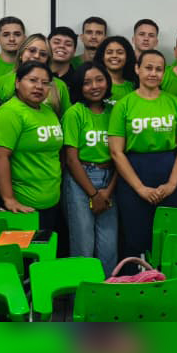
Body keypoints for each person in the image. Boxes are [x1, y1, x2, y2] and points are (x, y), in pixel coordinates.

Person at [109, 50, 177, 261]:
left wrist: (172, 184)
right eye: (148, 68)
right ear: (137, 69)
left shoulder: (175, 103)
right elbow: (116, 152)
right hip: (134, 174)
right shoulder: (124, 105)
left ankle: (167, 288)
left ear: (164, 73)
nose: (153, 73)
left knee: (168, 237)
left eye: (158, 69)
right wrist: (139, 188)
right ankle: (135, 286)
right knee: (135, 238)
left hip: (169, 172)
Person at [0, 62, 65, 230]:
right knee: (27, 255)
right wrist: (9, 199)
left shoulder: (48, 111)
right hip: (22, 205)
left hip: (50, 201)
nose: (39, 87)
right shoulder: (10, 112)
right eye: (32, 80)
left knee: (47, 253)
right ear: (17, 82)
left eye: (45, 83)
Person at [61, 64, 119, 276]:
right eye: (86, 82)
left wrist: (107, 192)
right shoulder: (74, 113)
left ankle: (106, 295)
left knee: (109, 246)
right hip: (81, 181)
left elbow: (120, 156)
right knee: (83, 245)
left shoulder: (115, 110)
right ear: (79, 86)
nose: (94, 86)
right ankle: (82, 301)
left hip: (111, 180)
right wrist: (94, 195)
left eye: (99, 79)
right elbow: (71, 159)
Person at [0, 34, 72, 115]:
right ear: (21, 53)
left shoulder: (59, 85)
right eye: (32, 50)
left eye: (43, 54)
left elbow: (66, 119)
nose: (36, 56)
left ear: (47, 60)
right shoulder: (1, 82)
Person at [96, 35, 137, 105]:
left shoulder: (134, 86)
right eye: (109, 52)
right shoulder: (95, 85)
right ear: (102, 56)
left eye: (120, 53)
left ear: (127, 57)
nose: (114, 56)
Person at [48, 26, 83, 96]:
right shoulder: (36, 74)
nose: (62, 46)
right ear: (47, 45)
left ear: (74, 51)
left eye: (68, 44)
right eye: (56, 42)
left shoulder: (79, 81)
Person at [0, 16, 26, 82]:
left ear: (24, 39)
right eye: (6, 35)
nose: (12, 39)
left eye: (17, 34)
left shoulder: (30, 65)